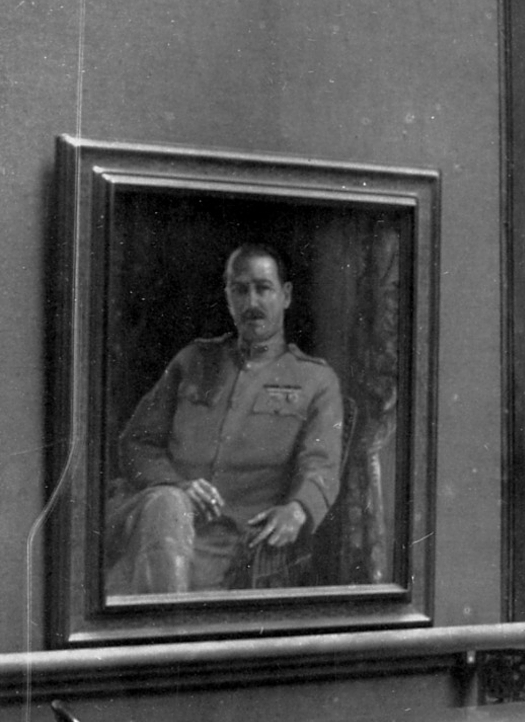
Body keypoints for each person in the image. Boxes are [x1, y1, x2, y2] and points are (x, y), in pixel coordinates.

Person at [104, 245, 345, 597]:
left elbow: (322, 464)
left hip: (229, 544)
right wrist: (177, 485)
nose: (251, 303)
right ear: (227, 297)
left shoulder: (316, 381)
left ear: (286, 295)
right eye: (239, 289)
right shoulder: (193, 361)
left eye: (263, 288)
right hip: (145, 523)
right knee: (167, 505)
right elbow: (136, 441)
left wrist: (298, 509)